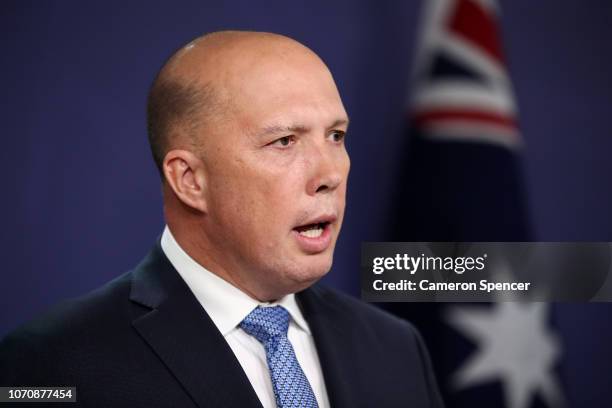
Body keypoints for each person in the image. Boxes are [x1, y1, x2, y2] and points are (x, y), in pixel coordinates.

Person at [0, 31, 443, 407]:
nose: (330, 174)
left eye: (336, 136)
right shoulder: (52, 362)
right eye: (285, 141)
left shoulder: (395, 348)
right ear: (190, 179)